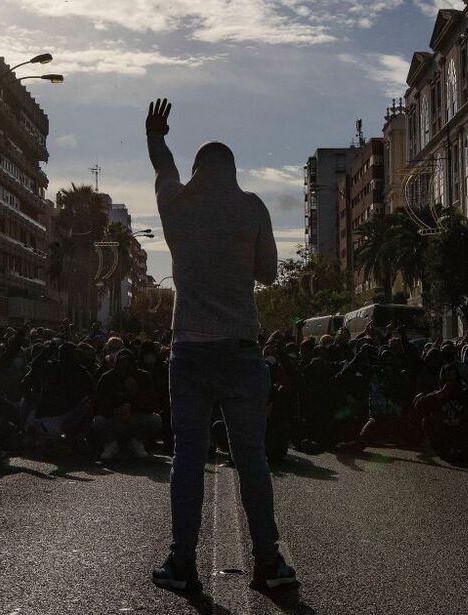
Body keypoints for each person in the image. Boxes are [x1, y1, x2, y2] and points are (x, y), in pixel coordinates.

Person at [145, 98, 295, 591]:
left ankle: (183, 563)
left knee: (188, 457)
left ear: (197, 171)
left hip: (188, 350)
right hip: (240, 349)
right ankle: (268, 562)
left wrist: (156, 135)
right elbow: (270, 273)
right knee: (250, 457)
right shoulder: (251, 206)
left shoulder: (177, 205)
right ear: (233, 170)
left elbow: (164, 169)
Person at [92, 349, 161, 459]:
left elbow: (153, 404)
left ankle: (136, 441)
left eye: (128, 362)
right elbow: (98, 403)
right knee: (98, 421)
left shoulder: (143, 376)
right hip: (114, 419)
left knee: (156, 419)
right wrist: (114, 410)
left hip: (135, 418)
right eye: (122, 362)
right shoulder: (107, 377)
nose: (125, 366)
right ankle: (111, 443)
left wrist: (134, 401)